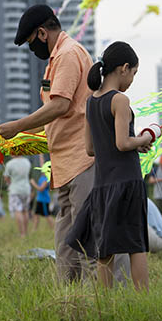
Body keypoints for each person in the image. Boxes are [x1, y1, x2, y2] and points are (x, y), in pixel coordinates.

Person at [0, 4, 126, 282]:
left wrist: (18, 127)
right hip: (65, 163)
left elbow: (60, 105)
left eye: (32, 42)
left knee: (91, 237)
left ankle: (103, 302)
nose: (33, 50)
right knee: (66, 240)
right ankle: (69, 299)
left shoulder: (68, 54)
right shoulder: (55, 60)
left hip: (83, 160)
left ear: (42, 33)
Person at [66, 41, 154, 291]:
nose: (132, 79)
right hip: (127, 181)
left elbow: (90, 149)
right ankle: (144, 302)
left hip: (102, 184)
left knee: (105, 250)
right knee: (136, 246)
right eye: (134, 73)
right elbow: (123, 142)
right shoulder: (120, 100)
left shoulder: (91, 102)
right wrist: (145, 139)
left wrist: (131, 143)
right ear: (124, 68)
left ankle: (105, 303)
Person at [3, 156, 32, 238]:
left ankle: (22, 233)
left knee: (17, 210)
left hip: (15, 189)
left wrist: (9, 183)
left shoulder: (10, 163)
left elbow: (6, 177)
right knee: (25, 210)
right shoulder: (27, 161)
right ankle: (26, 232)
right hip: (26, 189)